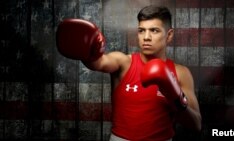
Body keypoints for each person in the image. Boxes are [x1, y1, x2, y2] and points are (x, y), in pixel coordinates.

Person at [56, 5, 201, 141]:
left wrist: (175, 95)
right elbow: (98, 63)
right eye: (141, 30)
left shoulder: (181, 73)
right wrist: (87, 50)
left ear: (169, 35)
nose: (146, 37)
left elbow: (196, 124)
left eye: (154, 30)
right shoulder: (123, 62)